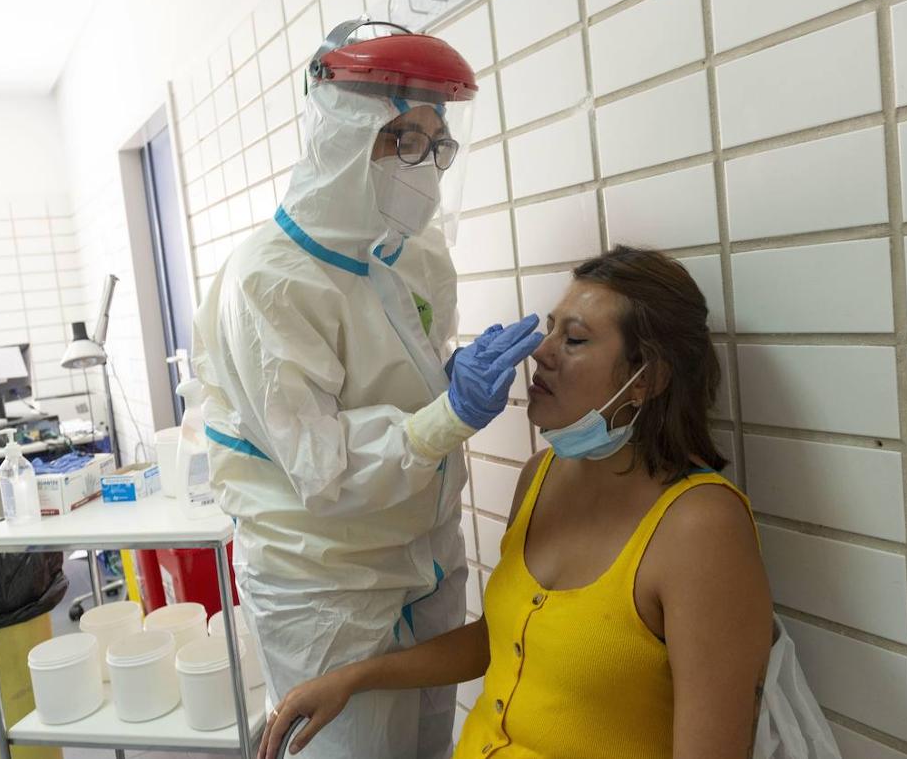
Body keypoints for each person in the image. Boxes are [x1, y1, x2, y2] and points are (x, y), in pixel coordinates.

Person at [257, 247, 838, 759]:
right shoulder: (543, 476)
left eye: (575, 339)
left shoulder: (700, 528)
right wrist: (355, 678)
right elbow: (503, 640)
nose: (542, 352)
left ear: (646, 379)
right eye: (550, 330)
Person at [191, 19, 543, 759]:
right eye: (400, 140)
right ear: (340, 137)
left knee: (426, 747)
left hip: (426, 557)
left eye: (435, 144)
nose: (423, 166)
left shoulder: (414, 255)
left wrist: (446, 382)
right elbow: (323, 468)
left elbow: (406, 386)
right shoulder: (270, 281)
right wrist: (447, 413)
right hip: (329, 589)